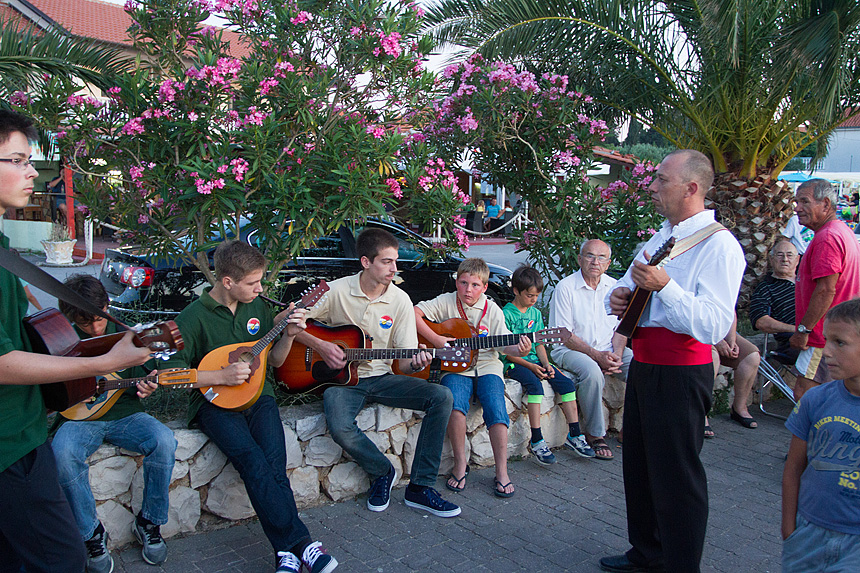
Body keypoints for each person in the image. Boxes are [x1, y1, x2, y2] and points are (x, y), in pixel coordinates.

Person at [0, 110, 152, 573]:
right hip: (8, 448)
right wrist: (104, 361)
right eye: (18, 159)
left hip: (22, 434)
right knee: (62, 561)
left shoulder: (4, 244)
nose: (32, 172)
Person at [602, 149, 745, 573]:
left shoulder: (719, 245)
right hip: (648, 364)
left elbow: (715, 323)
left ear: (692, 188)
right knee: (641, 468)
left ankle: (681, 565)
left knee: (677, 476)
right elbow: (631, 289)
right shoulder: (662, 237)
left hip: (682, 370)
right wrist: (621, 299)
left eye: (662, 180)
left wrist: (666, 287)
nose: (653, 186)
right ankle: (647, 553)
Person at [162, 240, 337, 573]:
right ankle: (302, 544)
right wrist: (220, 375)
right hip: (212, 404)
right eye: (253, 283)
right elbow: (169, 376)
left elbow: (274, 361)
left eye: (261, 281)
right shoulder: (192, 318)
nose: (260, 289)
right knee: (253, 462)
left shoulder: (256, 307)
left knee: (274, 466)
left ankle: (286, 553)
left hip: (259, 396)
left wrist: (287, 334)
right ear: (227, 282)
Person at [296, 228, 461, 518]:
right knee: (339, 426)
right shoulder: (334, 290)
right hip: (342, 382)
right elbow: (287, 320)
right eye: (386, 262)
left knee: (442, 396)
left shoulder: (400, 300)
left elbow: (407, 360)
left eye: (395, 261)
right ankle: (382, 471)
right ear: (365, 262)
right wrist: (321, 345)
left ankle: (420, 488)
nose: (394, 269)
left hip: (382, 377)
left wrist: (419, 362)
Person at [52, 274, 176, 572]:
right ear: (69, 317)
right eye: (85, 324)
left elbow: (147, 375)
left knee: (164, 440)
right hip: (78, 418)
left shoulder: (129, 334)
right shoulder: (57, 339)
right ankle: (91, 535)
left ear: (107, 306)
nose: (95, 328)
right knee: (62, 454)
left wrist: (146, 385)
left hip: (126, 415)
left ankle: (149, 522)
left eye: (99, 319)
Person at [415, 258, 531, 498]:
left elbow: (504, 346)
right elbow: (414, 313)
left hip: (488, 366)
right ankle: (460, 464)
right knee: (455, 407)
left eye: (475, 285)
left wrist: (520, 349)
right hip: (456, 368)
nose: (468, 290)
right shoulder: (445, 301)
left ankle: (502, 471)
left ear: (485, 287)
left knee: (496, 408)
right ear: (456, 282)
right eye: (463, 283)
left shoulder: (493, 310)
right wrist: (436, 339)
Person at [782, 298, 860, 572]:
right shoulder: (815, 400)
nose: (826, 351)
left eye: (839, 342)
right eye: (826, 340)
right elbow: (793, 468)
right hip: (808, 534)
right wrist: (789, 529)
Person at [502, 265, 595, 465]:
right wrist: (531, 367)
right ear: (516, 291)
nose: (534, 300)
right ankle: (537, 440)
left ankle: (575, 435)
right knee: (535, 387)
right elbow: (505, 353)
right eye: (529, 295)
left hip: (536, 361)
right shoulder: (506, 314)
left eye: (536, 296)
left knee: (567, 385)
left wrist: (546, 363)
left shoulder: (535, 314)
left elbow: (540, 342)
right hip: (515, 364)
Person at [549, 239, 631, 460]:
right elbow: (564, 335)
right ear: (579, 259)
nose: (595, 261)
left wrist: (617, 355)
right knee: (592, 372)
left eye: (601, 257)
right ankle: (595, 435)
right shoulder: (566, 287)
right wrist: (597, 357)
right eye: (589, 255)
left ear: (608, 263)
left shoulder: (614, 287)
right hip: (569, 350)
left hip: (609, 349)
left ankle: (630, 428)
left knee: (641, 366)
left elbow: (621, 328)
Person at [790, 179, 860, 403]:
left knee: (806, 396)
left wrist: (803, 330)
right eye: (796, 201)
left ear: (826, 204)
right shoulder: (842, 231)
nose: (797, 208)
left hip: (821, 336)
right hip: (839, 332)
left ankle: (810, 439)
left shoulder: (827, 238)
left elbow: (826, 290)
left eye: (804, 201)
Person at [749, 239, 799, 359]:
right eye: (780, 255)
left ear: (797, 260)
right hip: (794, 341)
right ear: (771, 259)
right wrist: (797, 330)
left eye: (789, 255)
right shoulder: (766, 287)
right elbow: (760, 321)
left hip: (822, 335)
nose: (785, 259)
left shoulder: (809, 282)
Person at [714, 314, 761, 430]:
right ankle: (702, 413)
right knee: (711, 357)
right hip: (696, 333)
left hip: (721, 333)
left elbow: (731, 311)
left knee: (752, 356)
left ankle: (739, 408)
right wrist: (716, 340)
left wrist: (731, 340)